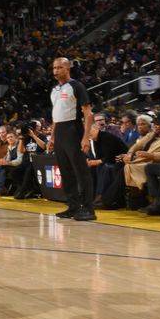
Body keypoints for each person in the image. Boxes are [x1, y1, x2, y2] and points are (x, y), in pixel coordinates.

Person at [48, 58, 96, 221]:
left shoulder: (76, 86)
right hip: (60, 131)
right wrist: (52, 137)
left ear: (68, 68)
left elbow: (88, 113)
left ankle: (89, 209)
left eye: (60, 67)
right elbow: (55, 116)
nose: (56, 70)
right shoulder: (54, 90)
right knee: (66, 172)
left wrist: (86, 137)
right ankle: (73, 206)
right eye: (54, 68)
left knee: (81, 171)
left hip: (73, 129)